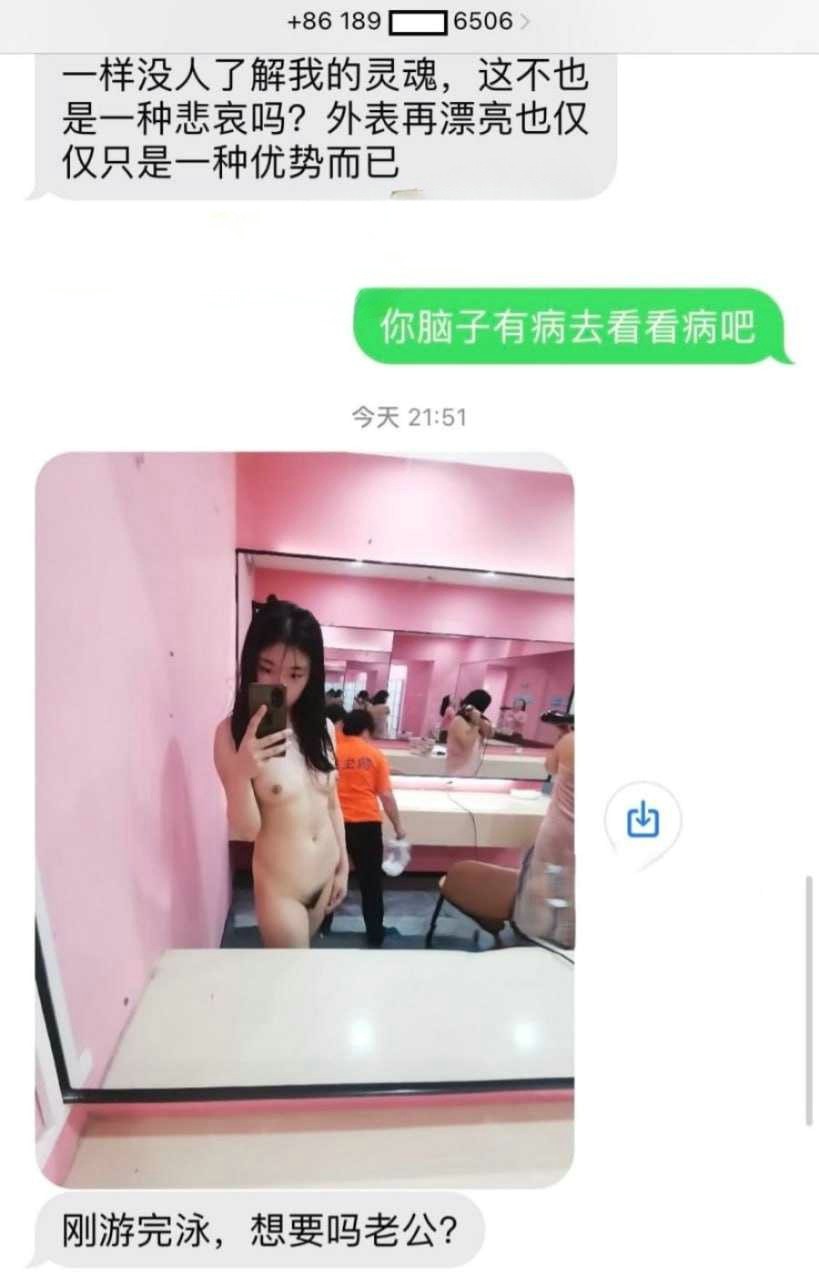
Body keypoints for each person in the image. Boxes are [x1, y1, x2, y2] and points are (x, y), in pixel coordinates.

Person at [213, 596, 349, 948]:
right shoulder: (231, 734)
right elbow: (246, 831)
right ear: (251, 664)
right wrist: (240, 773)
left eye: (295, 674)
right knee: (293, 978)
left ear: (312, 674)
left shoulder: (322, 728)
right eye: (267, 668)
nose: (279, 684)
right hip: (282, 892)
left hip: (327, 873)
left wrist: (344, 864)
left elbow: (332, 803)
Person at [335, 708, 406, 946]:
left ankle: (321, 928)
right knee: (371, 883)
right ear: (366, 730)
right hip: (366, 824)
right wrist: (399, 827)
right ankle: (375, 934)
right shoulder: (375, 755)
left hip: (335, 823)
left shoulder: (332, 752)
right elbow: (386, 796)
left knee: (331, 876)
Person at [513, 716, 574, 949]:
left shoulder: (570, 741)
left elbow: (550, 767)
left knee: (544, 876)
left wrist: (562, 738)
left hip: (560, 825)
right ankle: (569, 938)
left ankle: (537, 932)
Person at [445, 690, 494, 776]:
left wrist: (479, 720)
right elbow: (467, 744)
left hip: (471, 770)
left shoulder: (478, 721)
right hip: (457, 771)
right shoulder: (458, 721)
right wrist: (475, 724)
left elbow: (490, 734)